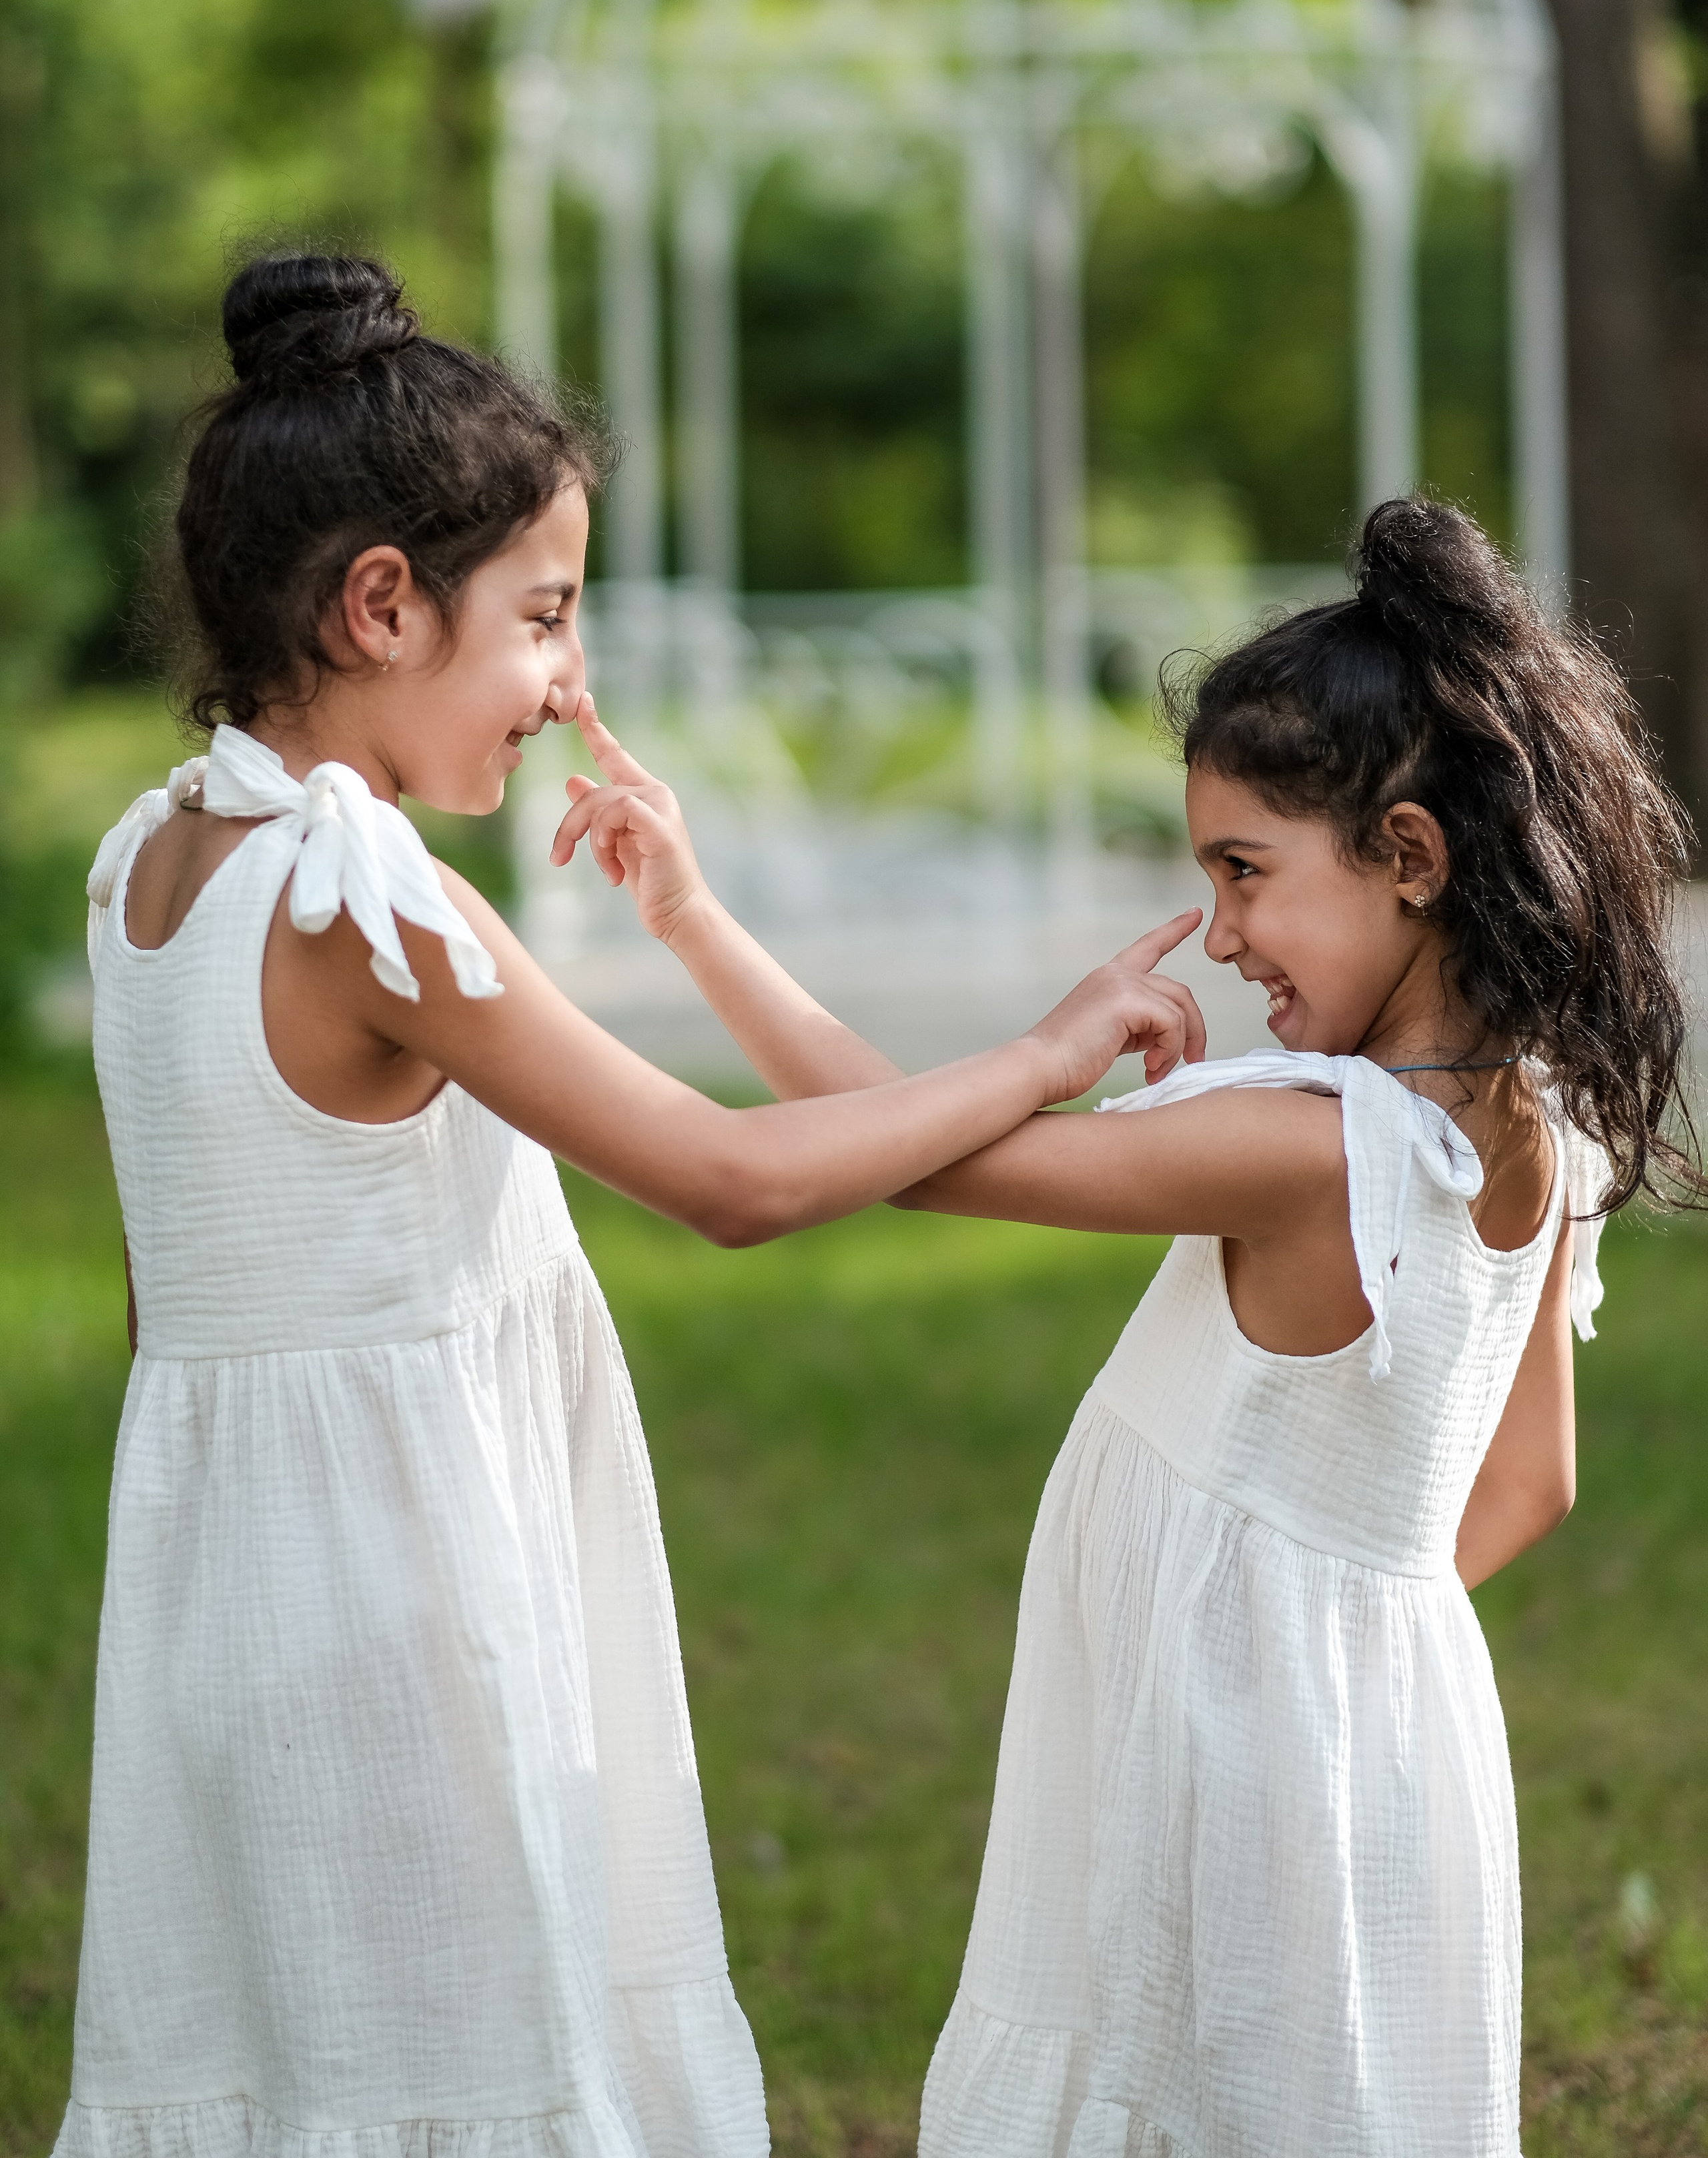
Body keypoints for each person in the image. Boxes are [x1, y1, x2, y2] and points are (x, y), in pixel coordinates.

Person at [61, 253, 1198, 2158]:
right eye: (546, 620)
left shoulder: (149, 866)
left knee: (312, 2058)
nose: (572, 683)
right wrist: (1045, 1050)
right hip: (412, 1611)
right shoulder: (372, 902)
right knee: (467, 2055)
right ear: (378, 606)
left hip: (232, 1599)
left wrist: (682, 913)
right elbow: (731, 1179)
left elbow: (164, 1293)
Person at [561, 496, 1701, 2158]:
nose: (1221, 936)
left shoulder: (1306, 1144)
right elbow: (1531, 1486)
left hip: (1212, 1778)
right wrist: (1330, 1657)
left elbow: (908, 1149)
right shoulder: (1532, 1119)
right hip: (1390, 1764)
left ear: (1406, 856)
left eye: (1244, 874)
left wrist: (692, 926)